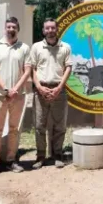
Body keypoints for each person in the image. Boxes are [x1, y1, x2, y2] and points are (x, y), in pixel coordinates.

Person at [0, 17, 32, 179]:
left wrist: (15, 89)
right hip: (0, 95)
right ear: (5, 29)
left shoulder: (25, 48)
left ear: (17, 29)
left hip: (18, 96)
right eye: (8, 27)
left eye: (13, 26)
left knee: (14, 129)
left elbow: (27, 71)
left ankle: (11, 160)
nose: (10, 29)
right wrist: (6, 89)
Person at [29, 18, 72, 169]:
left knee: (60, 125)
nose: (50, 31)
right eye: (47, 28)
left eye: (53, 28)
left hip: (59, 91)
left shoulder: (65, 47)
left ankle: (57, 155)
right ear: (43, 30)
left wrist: (59, 87)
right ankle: (40, 156)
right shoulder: (36, 47)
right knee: (40, 125)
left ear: (57, 29)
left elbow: (68, 68)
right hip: (40, 91)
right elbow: (32, 69)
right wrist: (39, 87)